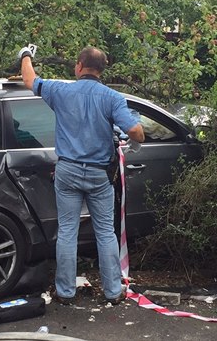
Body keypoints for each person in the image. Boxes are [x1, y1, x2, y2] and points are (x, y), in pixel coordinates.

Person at [19, 45, 145, 305]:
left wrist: (26, 55)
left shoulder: (60, 90)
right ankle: (112, 291)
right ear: (102, 70)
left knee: (67, 231)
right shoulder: (112, 98)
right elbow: (135, 131)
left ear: (78, 66)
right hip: (99, 175)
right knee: (105, 233)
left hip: (67, 171)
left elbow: (29, 79)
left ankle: (65, 293)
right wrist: (132, 142)